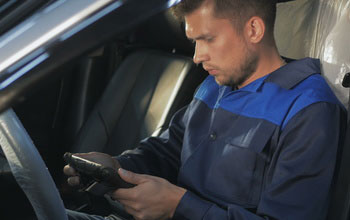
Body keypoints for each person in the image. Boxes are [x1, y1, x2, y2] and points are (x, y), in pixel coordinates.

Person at [64, 0, 347, 219]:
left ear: (254, 30)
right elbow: (167, 150)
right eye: (194, 41)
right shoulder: (215, 86)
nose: (198, 57)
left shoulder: (309, 109)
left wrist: (179, 207)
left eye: (207, 39)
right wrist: (117, 167)